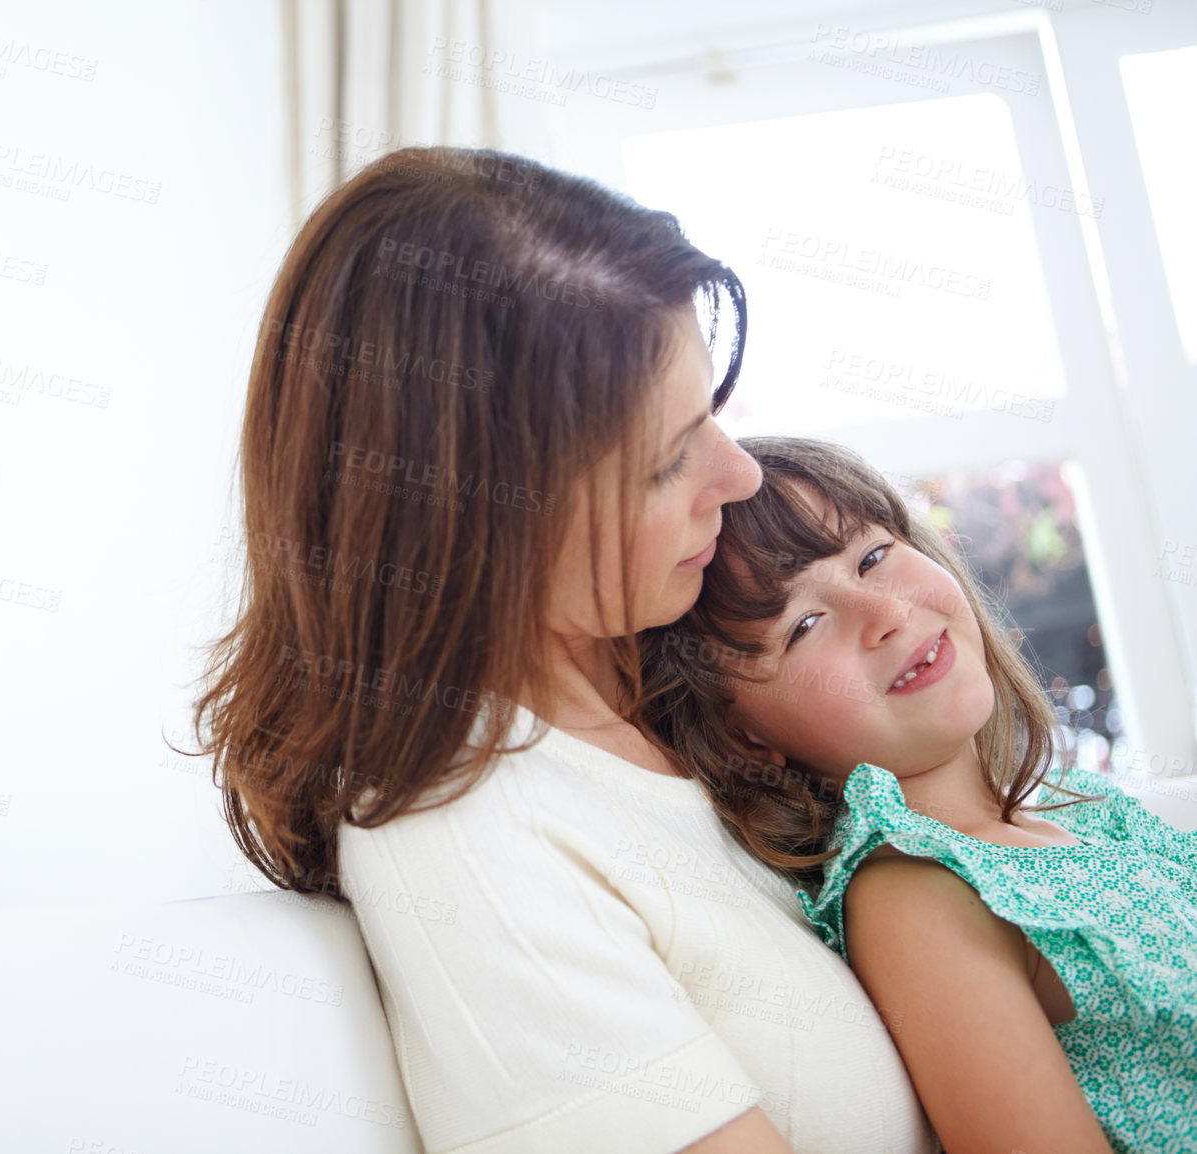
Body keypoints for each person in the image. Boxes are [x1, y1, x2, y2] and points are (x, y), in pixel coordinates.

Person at [185, 148, 938, 1153]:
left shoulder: (671, 668)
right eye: (666, 460)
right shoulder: (469, 843)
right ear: (472, 516)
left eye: (711, 413)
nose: (740, 472)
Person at [643, 435, 1197, 1153]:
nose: (886, 613)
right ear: (744, 741)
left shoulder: (1070, 807)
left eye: (872, 557)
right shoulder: (917, 890)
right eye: (804, 626)